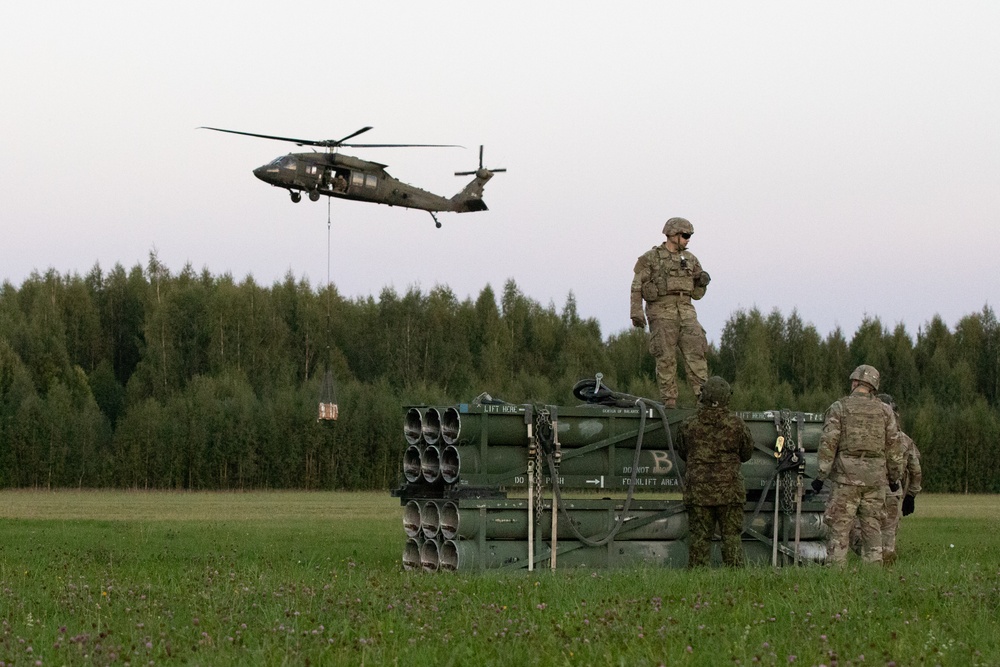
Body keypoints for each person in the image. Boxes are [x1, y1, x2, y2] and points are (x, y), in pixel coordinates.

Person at [811, 365, 904, 566]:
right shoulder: (885, 411)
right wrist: (895, 478)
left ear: (854, 383)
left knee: (840, 529)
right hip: (875, 480)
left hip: (846, 479)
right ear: (873, 386)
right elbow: (894, 448)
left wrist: (821, 476)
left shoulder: (839, 408)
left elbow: (828, 444)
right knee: (872, 528)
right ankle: (873, 575)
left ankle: (836, 575)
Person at [630, 217, 711, 407]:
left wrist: (702, 281)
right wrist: (636, 312)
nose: (688, 239)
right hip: (661, 311)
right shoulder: (650, 258)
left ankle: (704, 401)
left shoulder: (691, 260)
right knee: (665, 357)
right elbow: (636, 286)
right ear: (673, 234)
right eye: (685, 235)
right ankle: (670, 402)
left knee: (697, 352)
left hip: (686, 310)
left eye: (689, 236)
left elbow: (698, 293)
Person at [676, 376, 753, 567]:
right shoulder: (737, 425)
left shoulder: (689, 425)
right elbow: (746, 454)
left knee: (699, 539)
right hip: (729, 492)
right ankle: (736, 582)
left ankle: (697, 585)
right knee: (732, 538)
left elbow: (682, 452)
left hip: (699, 492)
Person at [877, 393, 923, 565]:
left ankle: (871, 559)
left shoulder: (869, 438)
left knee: (865, 528)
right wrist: (911, 495)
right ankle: (885, 565)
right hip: (893, 490)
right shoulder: (904, 440)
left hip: (868, 488)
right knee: (888, 534)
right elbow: (916, 471)